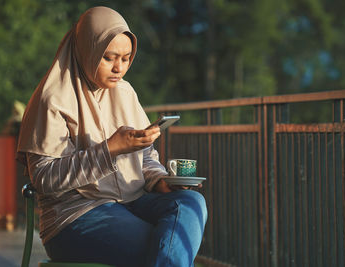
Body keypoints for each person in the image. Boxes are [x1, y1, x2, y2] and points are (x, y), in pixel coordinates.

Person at [17, 6, 207, 267]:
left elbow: (146, 158)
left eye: (126, 58)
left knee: (191, 202)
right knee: (167, 244)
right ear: (87, 50)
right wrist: (110, 150)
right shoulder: (53, 100)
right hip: (75, 215)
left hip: (133, 201)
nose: (119, 68)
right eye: (109, 57)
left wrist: (160, 181)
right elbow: (45, 178)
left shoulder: (125, 92)